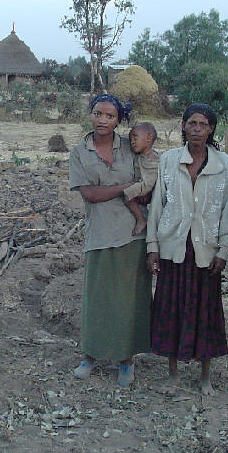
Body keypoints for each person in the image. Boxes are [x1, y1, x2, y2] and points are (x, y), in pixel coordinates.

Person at [146, 103, 228, 395]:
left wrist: (224, 250)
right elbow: (157, 205)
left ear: (211, 129)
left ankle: (205, 377)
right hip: (173, 248)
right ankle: (173, 375)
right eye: (192, 123)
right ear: (184, 127)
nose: (197, 129)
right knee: (171, 311)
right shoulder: (169, 160)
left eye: (203, 124)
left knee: (205, 312)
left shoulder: (223, 164)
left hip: (206, 252)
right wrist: (152, 246)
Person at [69, 94, 152, 387]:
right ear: (90, 115)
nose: (102, 120)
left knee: (128, 299)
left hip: (132, 233)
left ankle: (126, 360)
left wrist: (134, 191)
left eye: (110, 116)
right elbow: (89, 194)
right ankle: (90, 356)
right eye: (98, 114)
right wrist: (125, 188)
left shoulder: (130, 147)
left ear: (119, 120)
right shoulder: (79, 152)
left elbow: (147, 186)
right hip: (100, 233)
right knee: (97, 298)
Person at [124, 122, 160, 236]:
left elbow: (149, 183)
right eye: (130, 139)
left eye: (135, 137)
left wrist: (132, 190)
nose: (132, 142)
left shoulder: (154, 161)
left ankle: (141, 220)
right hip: (139, 187)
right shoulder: (139, 156)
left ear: (149, 138)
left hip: (144, 190)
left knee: (128, 197)